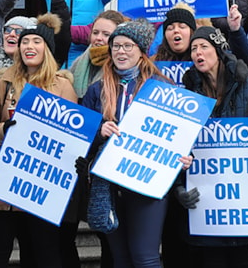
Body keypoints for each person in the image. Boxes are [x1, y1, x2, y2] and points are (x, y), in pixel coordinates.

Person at [81, 19, 193, 268]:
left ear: (141, 51)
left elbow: (179, 133)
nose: (121, 51)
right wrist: (99, 132)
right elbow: (81, 139)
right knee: (120, 259)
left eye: (127, 46)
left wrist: (186, 156)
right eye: (116, 46)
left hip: (148, 184)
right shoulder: (96, 90)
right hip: (109, 186)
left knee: (145, 258)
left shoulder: (163, 88)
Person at [180, 26, 248, 268]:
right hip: (205, 206)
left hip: (243, 205)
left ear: (218, 51)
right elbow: (178, 144)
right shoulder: (188, 92)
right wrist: (179, 186)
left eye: (203, 47)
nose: (197, 52)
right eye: (194, 48)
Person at [0, 13, 77, 268]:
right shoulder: (4, 82)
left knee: (42, 255)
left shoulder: (63, 86)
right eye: (25, 42)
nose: (28, 47)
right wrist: (5, 130)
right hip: (3, 185)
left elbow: (72, 138)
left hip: (41, 187)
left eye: (36, 41)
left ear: (46, 48)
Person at [70, 10, 128, 101]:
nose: (98, 38)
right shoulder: (79, 62)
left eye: (106, 34)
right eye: (95, 32)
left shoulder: (122, 67)